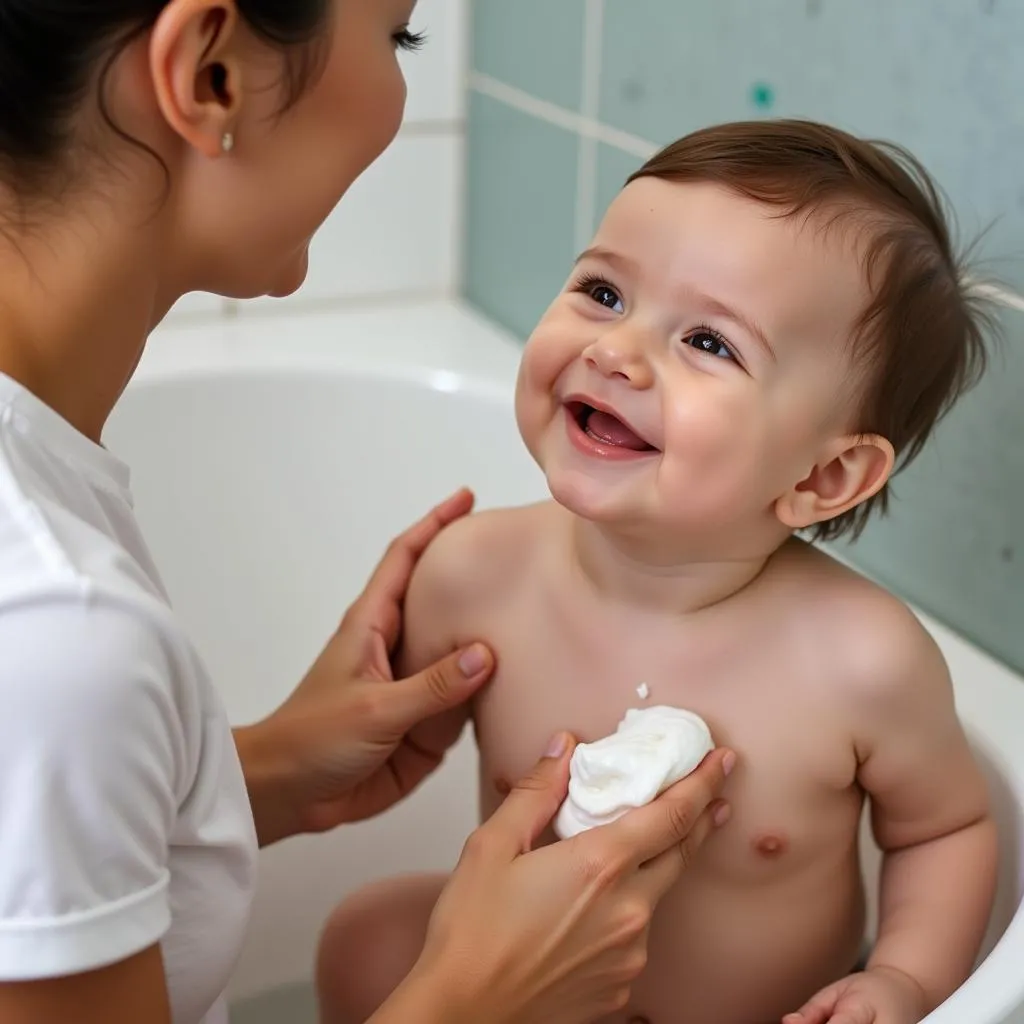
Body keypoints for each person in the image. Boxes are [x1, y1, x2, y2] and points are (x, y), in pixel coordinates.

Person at [0, 1, 737, 1022]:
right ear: (211, 74)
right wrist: (470, 1000)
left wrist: (244, 780)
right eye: (398, 36)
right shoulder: (51, 628)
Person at [317, 119, 1002, 1024]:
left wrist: (904, 981)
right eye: (602, 291)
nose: (614, 351)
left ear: (823, 476)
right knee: (365, 938)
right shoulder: (473, 576)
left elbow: (947, 829)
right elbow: (380, 753)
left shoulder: (861, 661)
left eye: (709, 343)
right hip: (513, 1000)